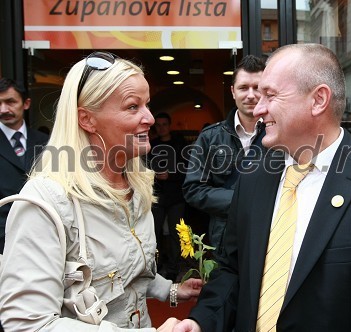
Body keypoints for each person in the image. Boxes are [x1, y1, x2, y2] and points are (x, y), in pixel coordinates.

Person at [169, 44, 351, 331]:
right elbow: (233, 270)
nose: (258, 108)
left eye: (270, 95)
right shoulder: (253, 177)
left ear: (318, 100)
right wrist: (200, 320)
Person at [0, 52, 202, 331]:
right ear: (87, 119)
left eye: (147, 105)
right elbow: (27, 324)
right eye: (133, 107)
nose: (150, 118)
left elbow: (129, 274)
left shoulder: (137, 185)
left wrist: (170, 290)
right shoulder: (46, 201)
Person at [182, 55, 266, 261]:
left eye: (257, 87)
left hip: (270, 235)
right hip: (224, 240)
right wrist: (242, 201)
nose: (251, 95)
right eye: (244, 87)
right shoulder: (210, 137)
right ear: (232, 91)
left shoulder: (281, 134)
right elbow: (193, 189)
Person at [0, 78, 48, 253]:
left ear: (26, 103)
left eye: (10, 102)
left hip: (44, 238)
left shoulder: (46, 142)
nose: (4, 109)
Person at [147, 112, 188, 281]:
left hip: (176, 196)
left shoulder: (180, 145)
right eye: (158, 125)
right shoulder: (151, 145)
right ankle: (154, 267)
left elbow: (188, 169)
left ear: (169, 125)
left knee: (175, 234)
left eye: (164, 124)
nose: (161, 127)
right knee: (153, 233)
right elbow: (144, 167)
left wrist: (170, 175)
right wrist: (153, 175)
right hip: (156, 196)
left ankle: (173, 268)